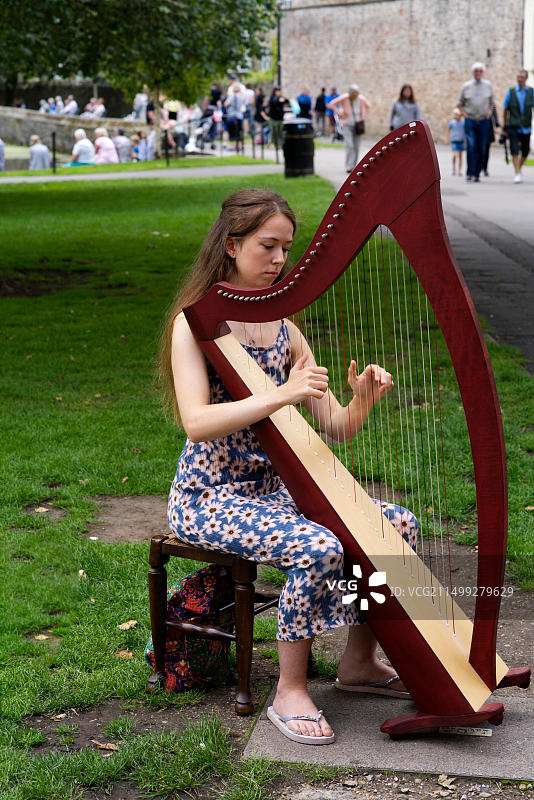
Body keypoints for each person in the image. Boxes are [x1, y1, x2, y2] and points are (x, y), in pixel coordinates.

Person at [159, 189, 417, 745]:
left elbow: (335, 424)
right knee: (318, 547)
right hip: (211, 496)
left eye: (286, 249)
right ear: (231, 245)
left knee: (397, 524)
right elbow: (197, 422)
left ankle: (358, 662)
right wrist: (281, 394)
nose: (279, 260)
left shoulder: (283, 326)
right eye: (267, 246)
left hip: (273, 493)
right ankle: (290, 689)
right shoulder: (196, 324)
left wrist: (362, 400)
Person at [457, 62, 494, 182]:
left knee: (482, 147)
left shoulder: (488, 85)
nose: (478, 73)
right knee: (471, 146)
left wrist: (489, 113)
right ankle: (470, 172)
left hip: (483, 120)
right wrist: (465, 115)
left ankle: (477, 173)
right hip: (471, 120)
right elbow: (460, 103)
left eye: (480, 71)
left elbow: (491, 103)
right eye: (476, 71)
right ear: (473, 73)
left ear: (482, 72)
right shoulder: (467, 86)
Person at [326, 84, 371, 173]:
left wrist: (363, 115)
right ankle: (348, 166)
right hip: (347, 124)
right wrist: (339, 112)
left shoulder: (361, 99)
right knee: (349, 145)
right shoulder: (345, 97)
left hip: (358, 125)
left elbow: (368, 106)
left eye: (356, 92)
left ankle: (354, 166)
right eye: (353, 92)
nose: (355, 94)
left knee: (357, 146)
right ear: (350, 92)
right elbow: (331, 104)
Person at [503, 68, 533, 184]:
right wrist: (505, 125)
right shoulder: (511, 92)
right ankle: (517, 173)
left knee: (526, 151)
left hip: (526, 126)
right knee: (514, 149)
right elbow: (505, 109)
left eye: (522, 77)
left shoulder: (531, 92)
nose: (519, 79)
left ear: (526, 78)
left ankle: (518, 169)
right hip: (513, 125)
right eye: (518, 77)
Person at [447, 108, 466, 176]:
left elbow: (465, 132)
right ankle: (454, 168)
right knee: (455, 155)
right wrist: (447, 139)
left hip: (461, 140)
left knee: (461, 156)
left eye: (457, 115)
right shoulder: (452, 122)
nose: (455, 116)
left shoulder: (463, 123)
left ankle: (459, 170)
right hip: (454, 140)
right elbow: (448, 130)